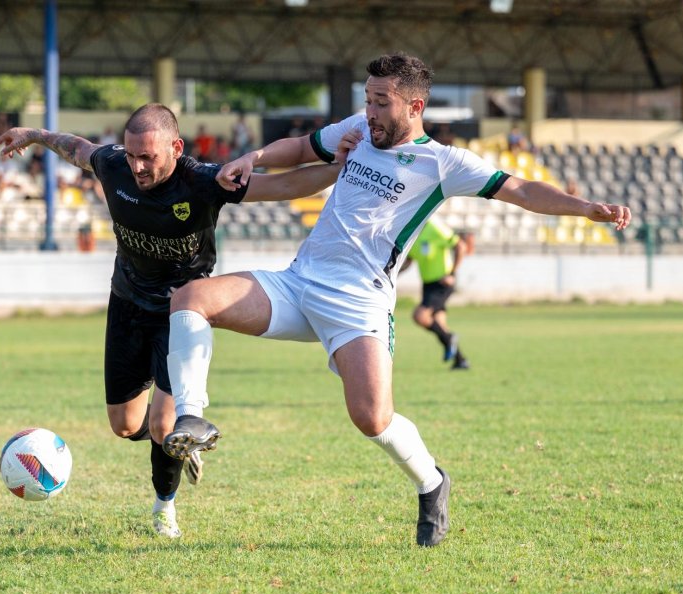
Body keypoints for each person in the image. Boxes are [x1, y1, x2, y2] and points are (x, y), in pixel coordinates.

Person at [161, 52, 631, 548]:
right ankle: (192, 416)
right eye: (367, 100)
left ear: (415, 106)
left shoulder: (444, 164)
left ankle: (432, 482)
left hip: (360, 304)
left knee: (372, 418)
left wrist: (586, 209)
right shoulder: (359, 130)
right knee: (192, 298)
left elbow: (521, 189)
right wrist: (252, 158)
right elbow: (301, 147)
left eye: (381, 102)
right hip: (297, 285)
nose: (370, 112)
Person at [0, 103, 340, 539]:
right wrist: (35, 134)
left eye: (148, 157)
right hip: (127, 304)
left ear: (175, 148)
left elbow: (283, 186)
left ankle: (164, 509)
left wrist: (341, 168)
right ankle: (178, 447)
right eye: (132, 154)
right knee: (123, 425)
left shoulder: (202, 181)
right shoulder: (114, 165)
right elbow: (78, 148)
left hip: (182, 314)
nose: (137, 166)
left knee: (163, 425)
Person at [402, 217, 470, 370]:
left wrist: (452, 273)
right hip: (428, 285)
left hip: (442, 282)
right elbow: (409, 260)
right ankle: (461, 361)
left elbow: (461, 246)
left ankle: (449, 338)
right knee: (439, 324)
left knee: (420, 316)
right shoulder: (412, 232)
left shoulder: (434, 227)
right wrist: (391, 275)